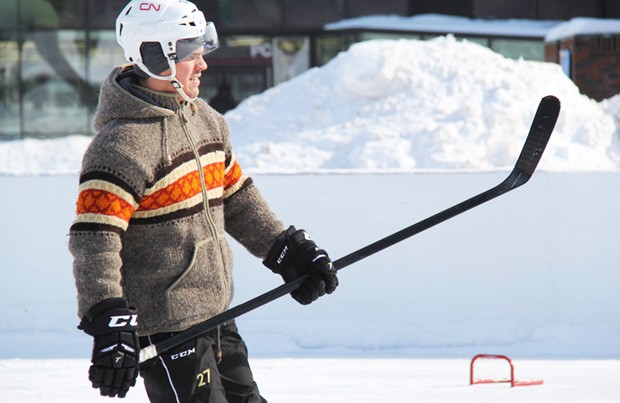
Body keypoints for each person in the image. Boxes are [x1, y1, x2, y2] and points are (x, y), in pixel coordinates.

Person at [68, 1, 338, 401]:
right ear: (158, 59)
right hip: (167, 326)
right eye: (192, 56)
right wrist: (107, 316)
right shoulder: (120, 146)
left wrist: (286, 251)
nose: (203, 65)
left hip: (216, 315)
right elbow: (96, 239)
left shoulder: (206, 120)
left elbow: (236, 197)